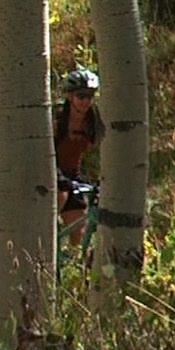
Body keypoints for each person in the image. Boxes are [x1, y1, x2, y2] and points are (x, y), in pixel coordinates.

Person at [53, 68, 102, 240]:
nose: (85, 101)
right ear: (70, 97)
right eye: (81, 96)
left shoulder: (93, 122)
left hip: (72, 175)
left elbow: (98, 154)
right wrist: (59, 178)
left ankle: (75, 264)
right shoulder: (58, 120)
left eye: (89, 97)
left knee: (80, 231)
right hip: (50, 173)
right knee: (60, 196)